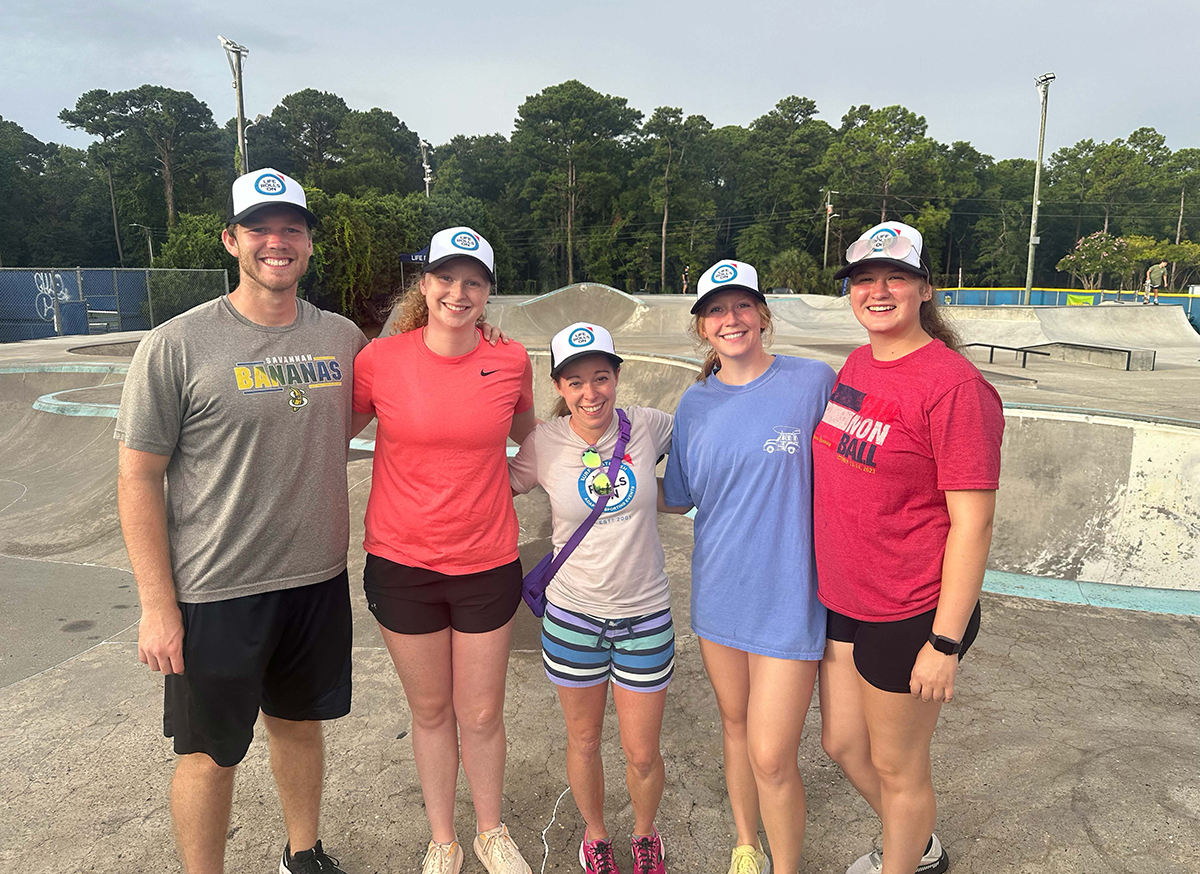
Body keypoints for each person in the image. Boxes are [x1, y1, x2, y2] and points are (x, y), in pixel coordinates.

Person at [116, 168, 364, 874]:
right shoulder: (176, 345)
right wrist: (157, 605)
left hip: (315, 579)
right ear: (231, 240)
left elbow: (405, 373)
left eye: (292, 229)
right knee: (207, 753)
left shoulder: (342, 338)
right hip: (214, 591)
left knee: (299, 726)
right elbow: (137, 477)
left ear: (311, 244)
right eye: (259, 228)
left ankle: (303, 853)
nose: (276, 242)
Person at [814, 222, 1004, 874]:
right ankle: (915, 839)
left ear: (925, 287)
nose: (878, 290)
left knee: (899, 768)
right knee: (842, 743)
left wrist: (945, 643)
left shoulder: (953, 389)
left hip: (911, 608)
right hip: (846, 596)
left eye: (895, 276)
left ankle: (906, 856)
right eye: (864, 279)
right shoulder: (861, 363)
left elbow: (973, 526)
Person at [351, 227, 538, 874]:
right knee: (430, 711)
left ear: (488, 292)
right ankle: (444, 840)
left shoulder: (510, 360)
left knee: (481, 712)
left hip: (486, 563)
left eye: (474, 282)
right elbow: (330, 434)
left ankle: (490, 830)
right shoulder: (381, 359)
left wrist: (511, 480)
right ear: (424, 284)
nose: (459, 292)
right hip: (402, 564)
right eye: (446, 278)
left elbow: (530, 438)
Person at [661, 261, 836, 874]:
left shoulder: (813, 382)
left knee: (771, 755)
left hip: (791, 598)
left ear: (762, 315)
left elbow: (860, 468)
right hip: (719, 595)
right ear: (701, 327)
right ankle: (746, 843)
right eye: (715, 310)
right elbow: (676, 495)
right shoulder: (694, 405)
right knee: (734, 726)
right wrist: (600, 476)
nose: (729, 319)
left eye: (741, 306)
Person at [509, 323, 675, 874]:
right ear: (557, 386)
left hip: (645, 616)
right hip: (573, 617)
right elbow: (491, 482)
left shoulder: (649, 426)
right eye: (575, 381)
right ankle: (597, 835)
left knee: (642, 751)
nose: (590, 393)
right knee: (583, 741)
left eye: (601, 377)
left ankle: (644, 836)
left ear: (617, 377)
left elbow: (718, 428)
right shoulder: (543, 443)